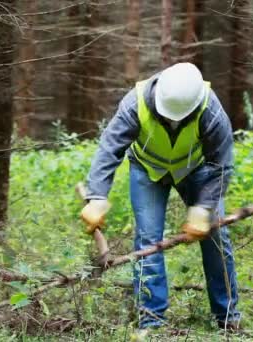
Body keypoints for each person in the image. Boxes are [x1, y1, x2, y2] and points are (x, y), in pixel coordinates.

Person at [80, 63, 240, 331]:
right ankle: (151, 320)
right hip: (147, 169)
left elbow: (222, 165)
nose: (173, 121)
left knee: (216, 234)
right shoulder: (135, 104)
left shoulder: (210, 110)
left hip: (196, 169)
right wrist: (97, 196)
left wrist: (203, 208)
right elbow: (109, 149)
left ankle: (228, 317)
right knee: (147, 239)